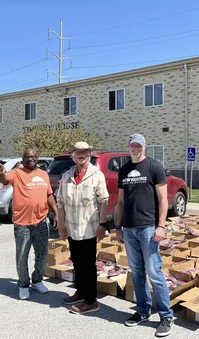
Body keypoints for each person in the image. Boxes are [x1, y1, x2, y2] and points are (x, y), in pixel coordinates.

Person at [115, 134, 174, 337]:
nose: (136, 148)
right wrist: (117, 226)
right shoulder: (123, 170)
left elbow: (163, 200)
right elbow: (121, 202)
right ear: (128, 146)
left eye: (139, 145)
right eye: (132, 145)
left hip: (148, 227)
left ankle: (166, 315)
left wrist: (161, 226)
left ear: (145, 147)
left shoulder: (154, 167)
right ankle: (142, 311)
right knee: (137, 271)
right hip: (129, 228)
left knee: (154, 272)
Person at [0, 148, 58, 300]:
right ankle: (23, 284)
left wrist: (56, 211)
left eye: (33, 156)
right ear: (22, 159)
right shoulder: (17, 173)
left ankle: (37, 280)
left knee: (42, 254)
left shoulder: (43, 174)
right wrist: (1, 173)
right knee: (22, 255)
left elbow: (48, 194)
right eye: (27, 157)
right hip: (22, 224)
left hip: (41, 221)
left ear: (37, 158)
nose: (31, 159)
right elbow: (4, 179)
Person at [56, 141, 109, 314]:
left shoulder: (97, 175)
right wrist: (61, 226)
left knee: (88, 265)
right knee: (77, 262)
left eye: (85, 152)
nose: (81, 155)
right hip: (72, 229)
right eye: (78, 152)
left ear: (89, 155)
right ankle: (80, 292)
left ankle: (91, 300)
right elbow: (61, 203)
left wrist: (102, 224)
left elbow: (103, 202)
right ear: (72, 155)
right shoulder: (66, 176)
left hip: (89, 229)